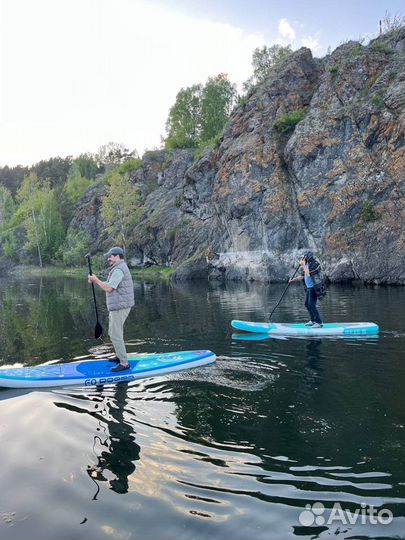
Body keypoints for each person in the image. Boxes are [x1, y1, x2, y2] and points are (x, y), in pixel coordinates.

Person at [88, 247, 134, 372]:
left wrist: (96, 280)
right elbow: (110, 284)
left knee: (116, 334)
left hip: (120, 306)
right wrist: (95, 280)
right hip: (118, 306)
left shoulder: (119, 269)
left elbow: (109, 288)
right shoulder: (118, 268)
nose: (109, 258)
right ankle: (119, 356)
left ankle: (124, 363)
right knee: (113, 333)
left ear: (118, 256)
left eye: (111, 256)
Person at [289, 251, 323, 328]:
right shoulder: (307, 265)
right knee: (307, 304)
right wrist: (292, 280)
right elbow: (302, 276)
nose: (303, 259)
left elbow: (308, 273)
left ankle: (319, 322)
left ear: (308, 257)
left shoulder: (314, 264)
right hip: (308, 288)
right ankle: (313, 320)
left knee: (311, 304)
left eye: (304, 257)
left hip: (314, 288)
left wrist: (303, 265)